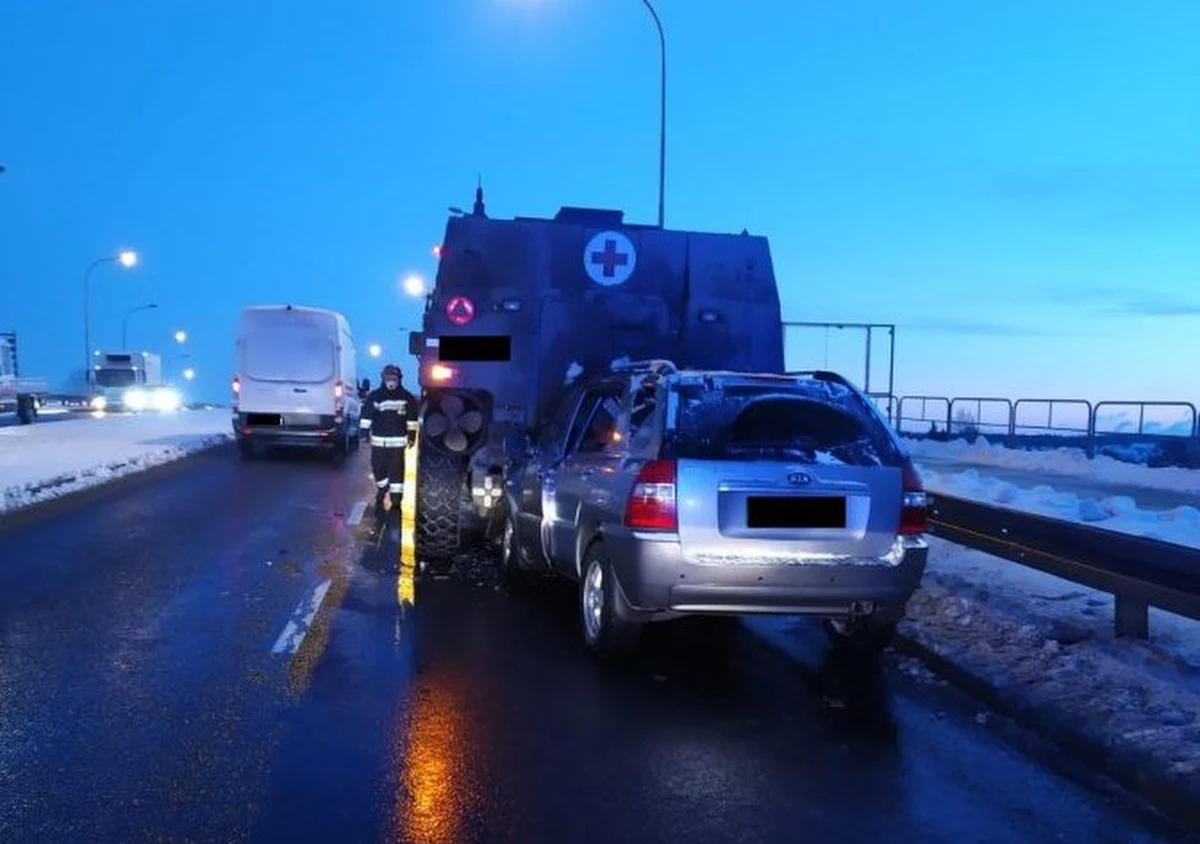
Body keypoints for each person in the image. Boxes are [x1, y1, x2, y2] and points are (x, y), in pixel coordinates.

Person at [361, 364, 419, 521]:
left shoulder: (407, 398)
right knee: (378, 469)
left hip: (398, 445)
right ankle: (382, 488)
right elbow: (366, 415)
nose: (391, 381)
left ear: (399, 379)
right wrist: (364, 432)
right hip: (379, 443)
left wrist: (412, 436)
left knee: (397, 474)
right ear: (383, 378)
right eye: (388, 378)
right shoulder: (375, 396)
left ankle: (396, 502)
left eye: (394, 378)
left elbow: (412, 419)